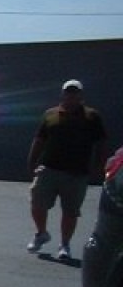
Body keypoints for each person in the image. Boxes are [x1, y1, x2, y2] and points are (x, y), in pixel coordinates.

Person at [26, 79, 108, 259]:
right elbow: (39, 140)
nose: (71, 95)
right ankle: (41, 233)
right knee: (37, 203)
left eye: (75, 92)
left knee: (70, 211)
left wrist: (99, 167)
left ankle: (64, 245)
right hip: (48, 169)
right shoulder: (50, 114)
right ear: (63, 94)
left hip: (76, 173)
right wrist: (32, 162)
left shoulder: (92, 116)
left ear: (80, 95)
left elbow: (101, 144)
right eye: (68, 92)